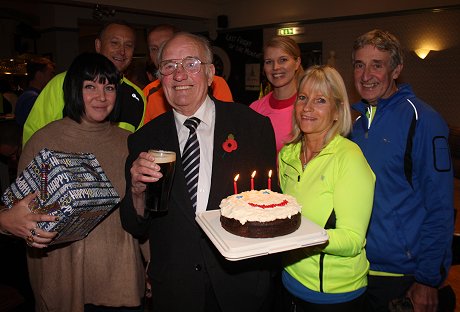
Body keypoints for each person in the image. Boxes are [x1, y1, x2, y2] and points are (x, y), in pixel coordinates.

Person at [120, 32, 279, 312]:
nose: (179, 74)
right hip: (177, 289)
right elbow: (135, 226)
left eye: (191, 63)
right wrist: (136, 192)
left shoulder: (253, 127)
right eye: (169, 66)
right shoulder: (143, 140)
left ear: (210, 73)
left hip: (240, 285)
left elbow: (269, 205)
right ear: (160, 78)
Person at [1, 52, 144, 311]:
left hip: (120, 274)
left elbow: (141, 214)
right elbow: (13, 211)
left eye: (109, 87)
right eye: (90, 86)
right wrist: (8, 221)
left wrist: (152, 265)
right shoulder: (44, 141)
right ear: (73, 90)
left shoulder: (129, 142)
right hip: (63, 276)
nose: (101, 97)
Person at [350, 29, 454, 312]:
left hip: (404, 276)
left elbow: (441, 207)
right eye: (360, 64)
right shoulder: (354, 124)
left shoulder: (423, 120)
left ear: (396, 70)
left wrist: (427, 279)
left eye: (377, 65)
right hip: (358, 270)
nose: (366, 74)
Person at [278, 65, 375, 312]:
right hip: (288, 282)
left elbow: (352, 240)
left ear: (337, 111)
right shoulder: (287, 153)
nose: (307, 107)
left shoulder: (349, 158)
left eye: (320, 100)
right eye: (303, 98)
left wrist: (297, 237)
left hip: (334, 296)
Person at [22, 21, 146, 146]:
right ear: (98, 45)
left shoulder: (137, 97)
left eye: (129, 45)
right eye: (114, 43)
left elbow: (136, 147)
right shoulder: (63, 82)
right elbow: (33, 136)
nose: (122, 51)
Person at [142, 24, 233, 123]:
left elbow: (227, 121)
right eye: (154, 48)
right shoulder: (147, 93)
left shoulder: (216, 84)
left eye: (190, 64)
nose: (179, 76)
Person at [250, 36, 303, 153]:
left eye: (283, 60)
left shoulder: (308, 108)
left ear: (297, 63)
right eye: (269, 62)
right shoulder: (255, 109)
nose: (275, 67)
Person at [14, 56, 55, 127]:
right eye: (50, 74)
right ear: (39, 75)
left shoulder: (27, 96)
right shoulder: (32, 99)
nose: (53, 78)